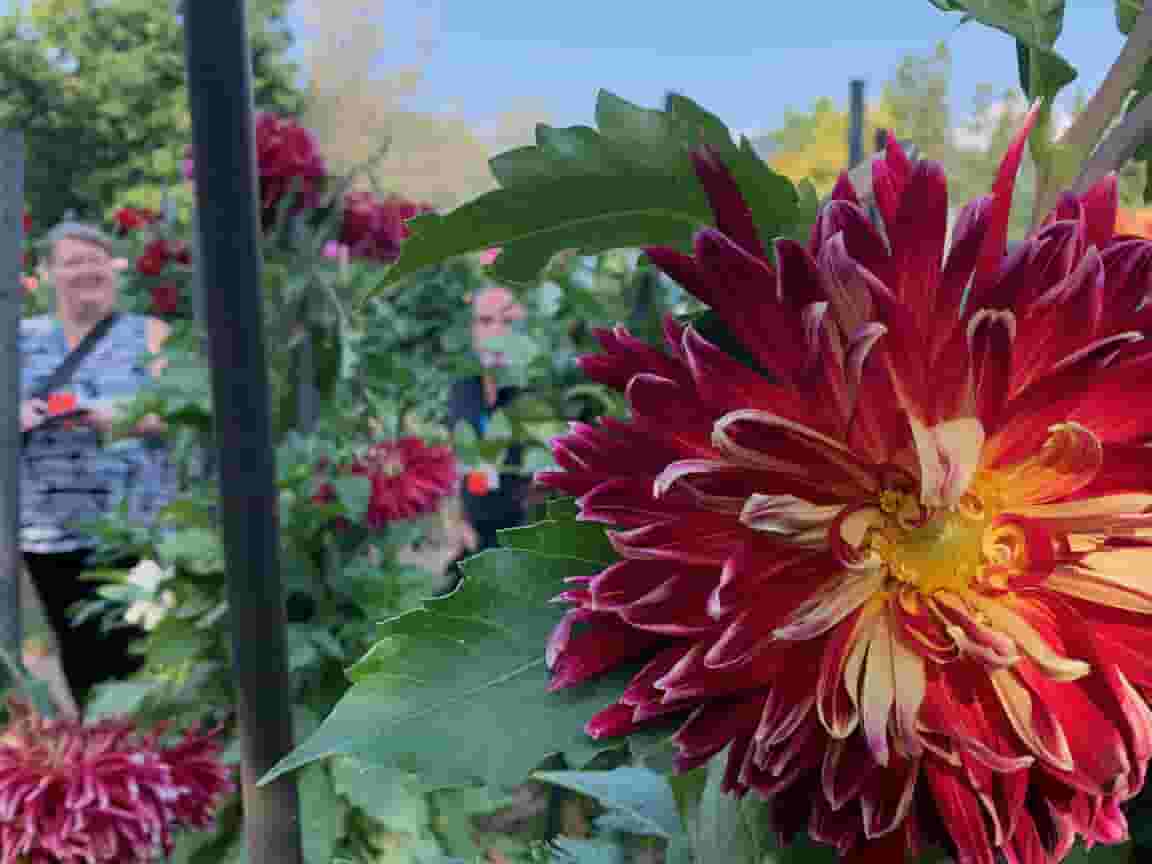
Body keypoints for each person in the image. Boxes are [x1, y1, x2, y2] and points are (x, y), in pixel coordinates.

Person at [19, 221, 174, 710]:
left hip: (135, 526)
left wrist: (105, 417)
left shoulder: (149, 333)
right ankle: (110, 764)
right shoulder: (19, 338)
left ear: (113, 268)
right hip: (49, 529)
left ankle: (158, 762)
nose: (86, 270)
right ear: (46, 274)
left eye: (96, 259)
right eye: (72, 262)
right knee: (81, 655)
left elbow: (176, 412)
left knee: (142, 655)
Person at [446, 284, 530, 553]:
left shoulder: (536, 396)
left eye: (508, 322)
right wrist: (457, 521)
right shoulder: (462, 389)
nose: (496, 331)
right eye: (485, 321)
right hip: (473, 539)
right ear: (473, 330)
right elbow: (455, 461)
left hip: (523, 541)